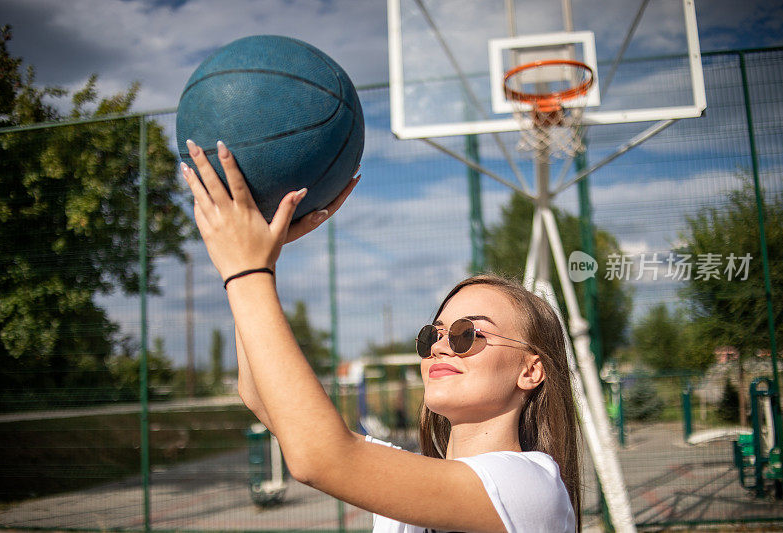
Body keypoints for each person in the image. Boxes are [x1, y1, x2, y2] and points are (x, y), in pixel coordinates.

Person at [181, 139, 581, 532]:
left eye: (466, 334)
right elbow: (261, 397)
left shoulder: (532, 487)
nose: (440, 346)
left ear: (531, 370)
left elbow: (320, 458)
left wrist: (248, 272)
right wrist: (255, 263)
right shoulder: (412, 479)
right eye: (432, 335)